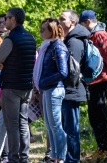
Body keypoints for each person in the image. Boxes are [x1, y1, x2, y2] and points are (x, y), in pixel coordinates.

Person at [0, 7, 36, 163]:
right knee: (23, 123)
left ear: (13, 19)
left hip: (11, 88)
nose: (4, 21)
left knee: (12, 125)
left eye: (7, 18)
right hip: (27, 87)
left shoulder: (10, 40)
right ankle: (24, 157)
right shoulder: (31, 38)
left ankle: (13, 158)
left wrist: (4, 62)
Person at [79, 9, 107, 158]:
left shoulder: (100, 35)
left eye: (82, 24)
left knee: (99, 114)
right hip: (93, 81)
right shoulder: (91, 35)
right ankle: (101, 148)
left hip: (102, 80)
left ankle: (104, 149)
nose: (81, 28)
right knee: (94, 115)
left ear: (88, 22)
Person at [34, 18, 68, 163]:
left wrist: (42, 82)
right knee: (49, 125)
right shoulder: (47, 46)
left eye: (43, 29)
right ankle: (55, 156)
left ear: (51, 30)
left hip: (55, 89)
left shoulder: (58, 46)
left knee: (55, 125)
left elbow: (63, 72)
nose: (40, 32)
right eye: (40, 29)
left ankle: (60, 158)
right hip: (47, 90)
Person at [59, 9, 90, 163]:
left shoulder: (75, 41)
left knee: (71, 129)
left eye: (62, 19)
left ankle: (72, 159)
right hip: (68, 90)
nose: (59, 22)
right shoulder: (69, 39)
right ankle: (69, 158)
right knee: (67, 128)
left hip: (72, 90)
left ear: (73, 22)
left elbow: (72, 70)